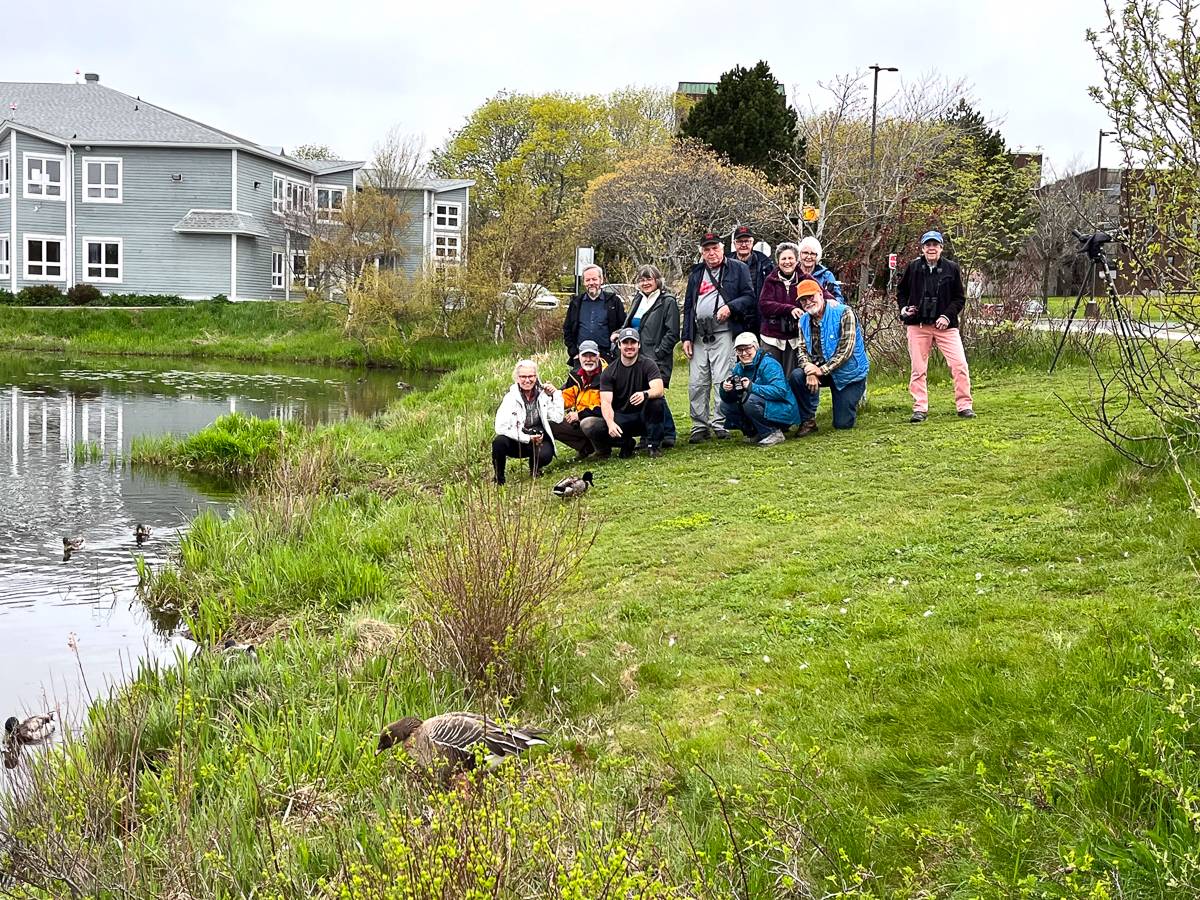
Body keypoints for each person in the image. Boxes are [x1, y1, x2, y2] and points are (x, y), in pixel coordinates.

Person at [681, 231, 756, 443]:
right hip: (698, 336)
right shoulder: (696, 274)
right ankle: (699, 425)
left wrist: (730, 307)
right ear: (702, 253)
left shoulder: (738, 269)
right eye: (707, 249)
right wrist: (686, 336)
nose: (711, 253)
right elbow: (689, 307)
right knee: (697, 382)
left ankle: (720, 423)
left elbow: (749, 297)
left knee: (722, 380)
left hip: (724, 332)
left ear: (723, 249)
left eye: (715, 248)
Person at [896, 231, 975, 422]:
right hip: (918, 326)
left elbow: (959, 298)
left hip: (946, 327)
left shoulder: (951, 268)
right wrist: (904, 309)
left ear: (941, 248)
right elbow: (902, 292)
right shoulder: (913, 267)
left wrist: (947, 316)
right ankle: (920, 408)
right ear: (922, 248)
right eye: (928, 245)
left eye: (935, 245)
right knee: (918, 369)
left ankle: (965, 406)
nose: (931, 248)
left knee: (960, 365)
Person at [786, 277, 870, 436]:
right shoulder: (803, 320)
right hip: (820, 370)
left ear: (820, 294)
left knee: (842, 424)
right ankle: (807, 421)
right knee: (797, 376)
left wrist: (821, 371)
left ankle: (848, 401)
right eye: (803, 300)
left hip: (849, 374)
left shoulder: (844, 312)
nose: (808, 302)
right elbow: (802, 349)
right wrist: (809, 370)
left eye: (811, 297)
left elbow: (846, 351)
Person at [616, 264, 680, 448]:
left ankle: (668, 433)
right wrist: (619, 334)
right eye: (642, 280)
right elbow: (632, 325)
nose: (645, 283)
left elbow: (673, 332)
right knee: (644, 394)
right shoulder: (639, 300)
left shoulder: (667, 301)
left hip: (655, 357)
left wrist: (658, 353)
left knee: (655, 394)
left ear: (657, 281)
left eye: (649, 279)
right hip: (636, 356)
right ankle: (648, 435)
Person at [718, 333, 799, 448]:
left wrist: (752, 386)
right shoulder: (739, 367)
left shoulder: (769, 364)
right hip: (763, 407)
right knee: (725, 405)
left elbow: (780, 392)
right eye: (740, 350)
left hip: (784, 410)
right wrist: (726, 389)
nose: (744, 353)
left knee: (750, 400)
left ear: (755, 347)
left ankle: (773, 432)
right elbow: (730, 399)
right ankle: (755, 433)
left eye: (747, 348)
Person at [492, 359, 564, 484]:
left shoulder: (542, 394)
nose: (527, 380)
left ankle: (535, 468)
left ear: (536, 377)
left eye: (531, 376)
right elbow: (500, 427)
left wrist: (555, 395)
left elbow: (557, 418)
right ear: (517, 378)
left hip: (538, 438)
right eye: (523, 377)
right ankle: (499, 478)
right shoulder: (510, 398)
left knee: (545, 457)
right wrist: (527, 438)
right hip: (519, 439)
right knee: (499, 442)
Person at [598, 327, 666, 458]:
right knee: (598, 428)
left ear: (639, 345)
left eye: (633, 342)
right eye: (625, 342)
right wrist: (610, 423)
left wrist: (644, 394)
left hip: (644, 416)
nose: (629, 346)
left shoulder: (648, 364)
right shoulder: (609, 371)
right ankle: (626, 443)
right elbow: (606, 402)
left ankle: (653, 445)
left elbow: (659, 390)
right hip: (622, 416)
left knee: (657, 403)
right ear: (619, 345)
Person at [550, 340, 611, 459]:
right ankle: (586, 447)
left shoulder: (608, 374)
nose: (588, 359)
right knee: (550, 425)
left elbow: (608, 406)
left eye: (592, 355)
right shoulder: (575, 375)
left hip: (603, 421)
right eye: (585, 355)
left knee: (587, 423)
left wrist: (580, 415)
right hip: (581, 420)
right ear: (579, 357)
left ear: (598, 356)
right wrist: (553, 395)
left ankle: (603, 451)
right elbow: (567, 399)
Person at [757, 242, 808, 380]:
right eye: (783, 259)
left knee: (793, 379)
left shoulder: (805, 279)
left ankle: (792, 402)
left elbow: (820, 293)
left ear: (797, 260)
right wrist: (789, 309)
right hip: (771, 337)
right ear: (778, 261)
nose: (787, 262)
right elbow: (764, 306)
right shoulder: (770, 280)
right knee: (770, 378)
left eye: (790, 258)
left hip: (795, 338)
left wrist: (832, 300)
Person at [563, 264, 625, 366]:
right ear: (583, 282)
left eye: (594, 279)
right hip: (581, 357)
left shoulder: (613, 302)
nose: (591, 283)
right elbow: (568, 329)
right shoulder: (576, 303)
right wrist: (574, 353)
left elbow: (622, 327)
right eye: (587, 280)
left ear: (601, 279)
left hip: (606, 357)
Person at [731, 225, 775, 301]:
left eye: (747, 241)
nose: (743, 245)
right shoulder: (726, 263)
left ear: (752, 243)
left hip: (757, 310)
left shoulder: (765, 263)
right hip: (732, 309)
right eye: (740, 241)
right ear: (734, 244)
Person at [797, 236, 845, 304]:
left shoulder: (826, 275)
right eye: (805, 253)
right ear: (799, 254)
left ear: (817, 256)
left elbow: (838, 297)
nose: (809, 257)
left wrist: (834, 303)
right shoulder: (793, 273)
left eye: (813, 254)